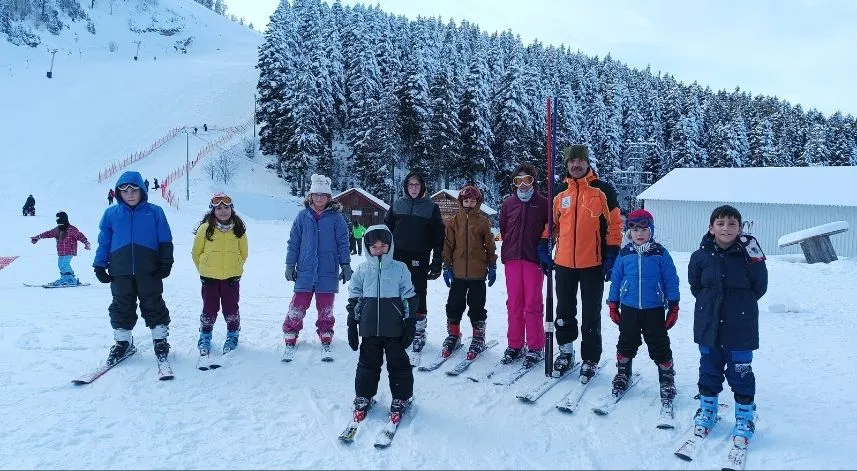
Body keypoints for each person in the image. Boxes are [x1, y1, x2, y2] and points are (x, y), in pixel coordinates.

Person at [688, 205, 767, 445]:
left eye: (732, 224)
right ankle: (707, 409)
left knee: (741, 373)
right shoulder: (700, 256)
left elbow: (759, 286)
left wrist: (740, 305)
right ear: (711, 228)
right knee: (709, 369)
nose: (726, 228)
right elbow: (696, 286)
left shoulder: (751, 254)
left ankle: (744, 416)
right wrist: (709, 304)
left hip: (740, 326)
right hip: (708, 325)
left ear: (740, 228)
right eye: (720, 223)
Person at [544, 144, 622, 382]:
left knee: (591, 313)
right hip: (564, 263)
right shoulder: (559, 192)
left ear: (588, 163)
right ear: (567, 164)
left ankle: (590, 358)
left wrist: (612, 253)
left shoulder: (602, 190)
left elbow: (614, 225)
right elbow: (551, 225)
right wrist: (544, 245)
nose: (576, 165)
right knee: (564, 310)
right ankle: (566, 352)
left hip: (593, 264)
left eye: (580, 161)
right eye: (571, 161)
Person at [92, 171, 174, 375]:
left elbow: (165, 239)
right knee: (121, 305)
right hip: (120, 270)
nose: (129, 194)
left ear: (142, 191)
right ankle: (123, 343)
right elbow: (104, 241)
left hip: (149, 269)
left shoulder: (155, 212)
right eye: (124, 190)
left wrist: (166, 262)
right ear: (118, 192)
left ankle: (160, 341)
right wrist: (99, 264)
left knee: (153, 303)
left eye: (134, 190)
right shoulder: (111, 214)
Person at [606, 209, 680, 403]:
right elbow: (616, 279)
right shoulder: (624, 254)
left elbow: (671, 280)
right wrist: (613, 303)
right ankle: (623, 373)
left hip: (653, 308)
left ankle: (667, 378)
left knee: (658, 342)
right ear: (629, 232)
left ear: (651, 230)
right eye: (634, 229)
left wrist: (674, 305)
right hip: (629, 307)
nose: (639, 233)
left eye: (644, 229)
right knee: (626, 340)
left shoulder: (660, 254)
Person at [346, 225, 418, 422]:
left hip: (394, 328)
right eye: (374, 247)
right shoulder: (362, 269)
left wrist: (410, 322)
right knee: (367, 364)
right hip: (369, 328)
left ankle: (401, 398)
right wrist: (352, 322)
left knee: (398, 364)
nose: (379, 250)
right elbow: (355, 297)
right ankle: (363, 396)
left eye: (383, 246)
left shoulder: (400, 269)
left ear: (390, 245)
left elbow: (409, 296)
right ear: (368, 247)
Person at [284, 174, 351, 352]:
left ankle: (326, 331)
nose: (319, 198)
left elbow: (343, 243)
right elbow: (294, 242)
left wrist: (345, 264)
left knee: (325, 306)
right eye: (316, 194)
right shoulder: (302, 216)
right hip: (305, 269)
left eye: (323, 195)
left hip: (328, 269)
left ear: (329, 197)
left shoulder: (337, 218)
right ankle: (291, 331)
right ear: (310, 196)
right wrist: (290, 265)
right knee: (298, 304)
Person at [384, 172, 445, 355]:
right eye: (410, 184)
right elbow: (386, 231)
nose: (413, 188)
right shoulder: (397, 205)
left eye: (417, 185)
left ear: (422, 187)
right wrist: (382, 255)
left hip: (420, 256)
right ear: (406, 186)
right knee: (395, 291)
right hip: (397, 255)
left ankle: (418, 330)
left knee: (418, 292)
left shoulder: (431, 207)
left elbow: (439, 237)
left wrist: (437, 262)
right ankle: (397, 327)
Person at [498, 163, 550, 366]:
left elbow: (550, 229)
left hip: (532, 259)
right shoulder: (508, 204)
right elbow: (504, 229)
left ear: (533, 181)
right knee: (514, 303)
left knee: (532, 303)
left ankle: (535, 346)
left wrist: (543, 249)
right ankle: (515, 344)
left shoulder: (543, 203)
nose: (522, 184)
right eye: (518, 180)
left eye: (526, 180)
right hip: (512, 258)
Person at [440, 185, 497, 360]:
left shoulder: (483, 222)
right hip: (457, 273)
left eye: (473, 201)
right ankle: (454, 335)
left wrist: (492, 265)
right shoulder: (454, 221)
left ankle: (478, 337)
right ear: (461, 202)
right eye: (466, 201)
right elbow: (448, 244)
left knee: (477, 306)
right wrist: (446, 266)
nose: (469, 204)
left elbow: (490, 245)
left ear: (477, 202)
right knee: (454, 304)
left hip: (478, 273)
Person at [191, 192, 248, 357]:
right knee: (209, 309)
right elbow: (196, 253)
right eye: (219, 208)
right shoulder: (205, 229)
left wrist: (235, 266)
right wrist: (204, 269)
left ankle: (233, 334)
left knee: (231, 309)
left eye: (226, 208)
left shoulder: (238, 229)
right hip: (209, 278)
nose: (223, 211)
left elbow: (243, 253)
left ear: (232, 209)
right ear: (213, 211)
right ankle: (205, 335)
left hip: (231, 278)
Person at [31, 211, 91, 286]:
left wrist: (86, 242)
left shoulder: (71, 229)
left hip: (70, 250)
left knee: (65, 264)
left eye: (58, 219)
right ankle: (64, 279)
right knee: (60, 265)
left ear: (63, 219)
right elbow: (48, 233)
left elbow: (79, 235)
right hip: (61, 252)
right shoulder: (57, 229)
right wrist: (38, 237)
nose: (57, 220)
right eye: (56, 219)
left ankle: (71, 280)